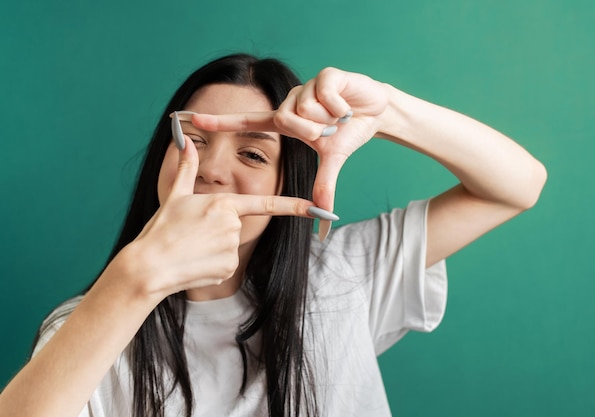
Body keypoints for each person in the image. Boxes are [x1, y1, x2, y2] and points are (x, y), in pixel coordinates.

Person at [0, 53, 547, 417]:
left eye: (253, 152)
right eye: (190, 139)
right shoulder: (91, 324)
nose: (211, 168)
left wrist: (389, 110)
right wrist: (136, 278)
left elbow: (516, 186)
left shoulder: (341, 279)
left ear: (290, 182)